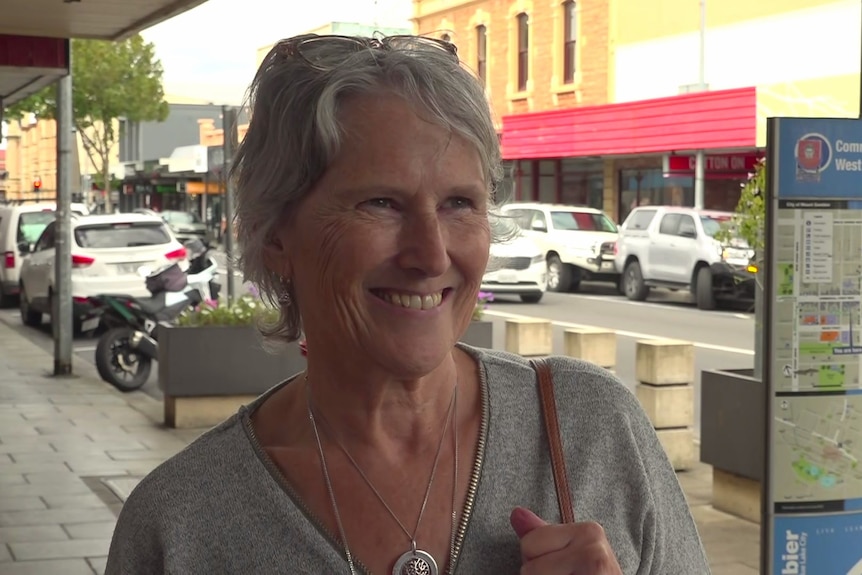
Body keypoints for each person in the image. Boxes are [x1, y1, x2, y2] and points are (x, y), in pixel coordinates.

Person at [105, 34, 710, 575]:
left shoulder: (592, 429)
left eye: (458, 204)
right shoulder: (181, 524)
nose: (431, 254)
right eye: (380, 204)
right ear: (276, 234)